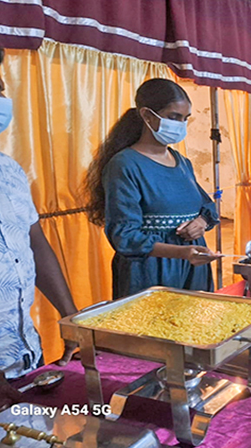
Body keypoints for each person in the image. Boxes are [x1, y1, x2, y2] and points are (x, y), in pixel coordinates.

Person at [0, 38, 78, 410]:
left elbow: (34, 242)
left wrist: (71, 316)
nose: (2, 101)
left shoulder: (6, 169)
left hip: (21, 358)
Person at [85, 79, 220, 299]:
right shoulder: (125, 164)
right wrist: (181, 253)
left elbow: (207, 206)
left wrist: (201, 223)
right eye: (174, 117)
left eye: (185, 119)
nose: (181, 125)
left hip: (193, 268)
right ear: (147, 116)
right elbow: (124, 236)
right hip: (149, 272)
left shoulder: (182, 162)